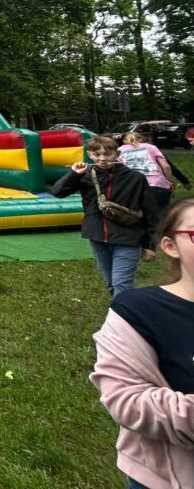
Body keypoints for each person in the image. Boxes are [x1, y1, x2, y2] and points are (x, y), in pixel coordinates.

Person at [90, 198, 194, 488]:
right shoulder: (139, 311)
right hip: (166, 475)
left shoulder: (134, 180)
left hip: (125, 234)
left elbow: (147, 204)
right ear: (170, 246)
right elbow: (126, 399)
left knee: (119, 279)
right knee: (116, 282)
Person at [51, 135, 156, 297]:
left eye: (107, 154)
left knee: (121, 282)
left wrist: (150, 245)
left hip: (128, 237)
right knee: (110, 283)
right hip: (98, 237)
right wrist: (73, 174)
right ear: (90, 155)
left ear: (117, 154)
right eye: (97, 154)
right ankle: (124, 308)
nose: (102, 159)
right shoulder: (85, 176)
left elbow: (151, 211)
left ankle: (121, 312)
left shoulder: (135, 178)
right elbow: (57, 192)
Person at [119, 132, 175, 230]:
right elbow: (166, 166)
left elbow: (119, 170)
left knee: (138, 217)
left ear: (125, 141)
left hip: (134, 186)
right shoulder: (151, 147)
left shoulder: (120, 150)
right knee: (160, 216)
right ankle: (160, 236)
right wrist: (170, 182)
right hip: (157, 184)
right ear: (141, 139)